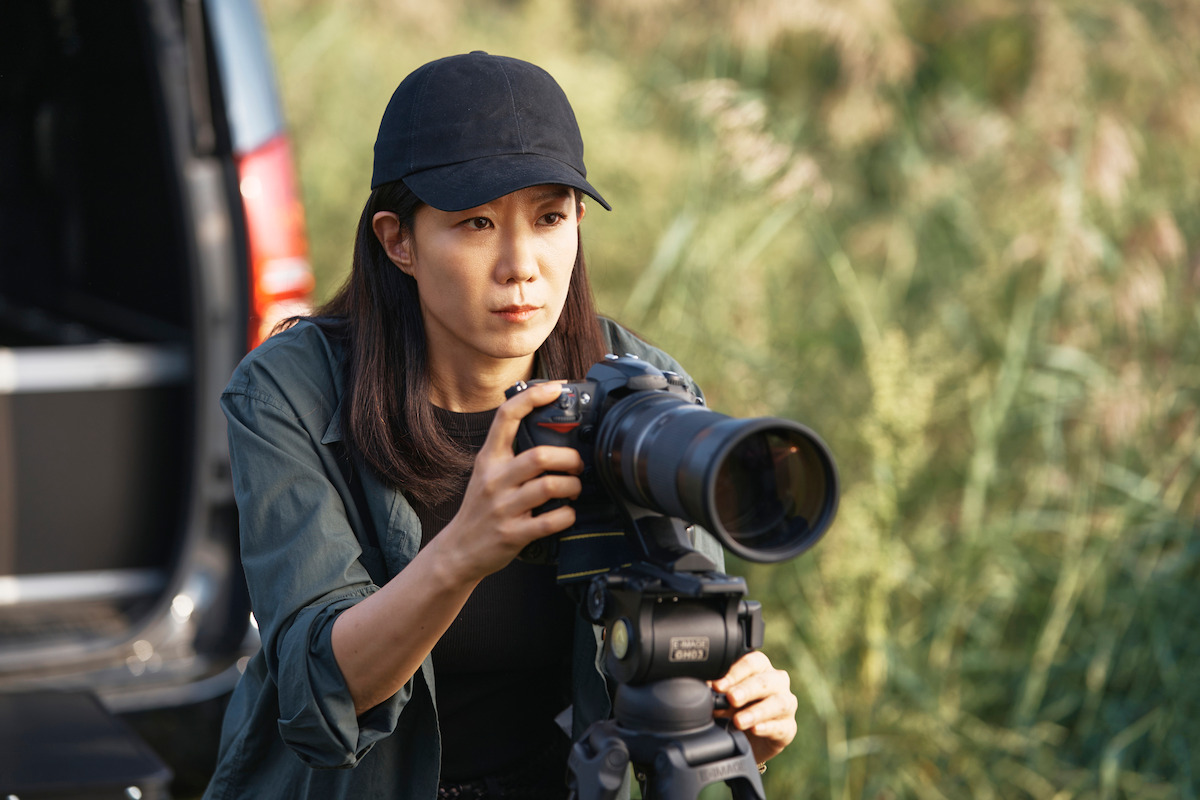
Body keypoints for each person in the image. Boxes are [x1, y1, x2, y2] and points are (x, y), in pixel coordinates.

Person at [203, 51, 798, 800]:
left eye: (549, 218)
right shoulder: (288, 392)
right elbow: (321, 692)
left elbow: (681, 625)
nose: (521, 265)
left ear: (578, 221)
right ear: (398, 240)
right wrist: (466, 548)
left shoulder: (644, 390)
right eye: (476, 223)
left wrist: (739, 710)